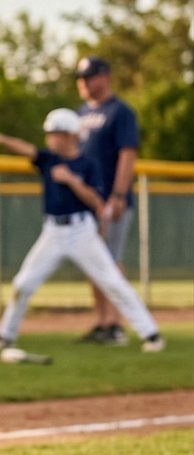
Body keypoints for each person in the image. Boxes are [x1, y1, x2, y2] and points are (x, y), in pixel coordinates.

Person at [0, 108, 162, 354]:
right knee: (23, 283)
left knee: (113, 282)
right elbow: (25, 148)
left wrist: (72, 181)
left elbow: (96, 202)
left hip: (82, 231)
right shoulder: (48, 159)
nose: (51, 138)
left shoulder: (87, 164)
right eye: (50, 133)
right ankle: (4, 335)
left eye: (56, 133)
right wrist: (1, 139)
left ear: (71, 135)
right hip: (53, 231)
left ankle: (151, 334)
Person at [74, 56, 141, 345]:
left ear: (105, 76)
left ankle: (116, 324)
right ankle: (102, 322)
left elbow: (128, 154)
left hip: (111, 198)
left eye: (89, 76)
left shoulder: (120, 111)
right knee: (93, 262)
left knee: (110, 260)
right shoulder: (80, 113)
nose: (84, 82)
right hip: (88, 201)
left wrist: (119, 194)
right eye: (81, 77)